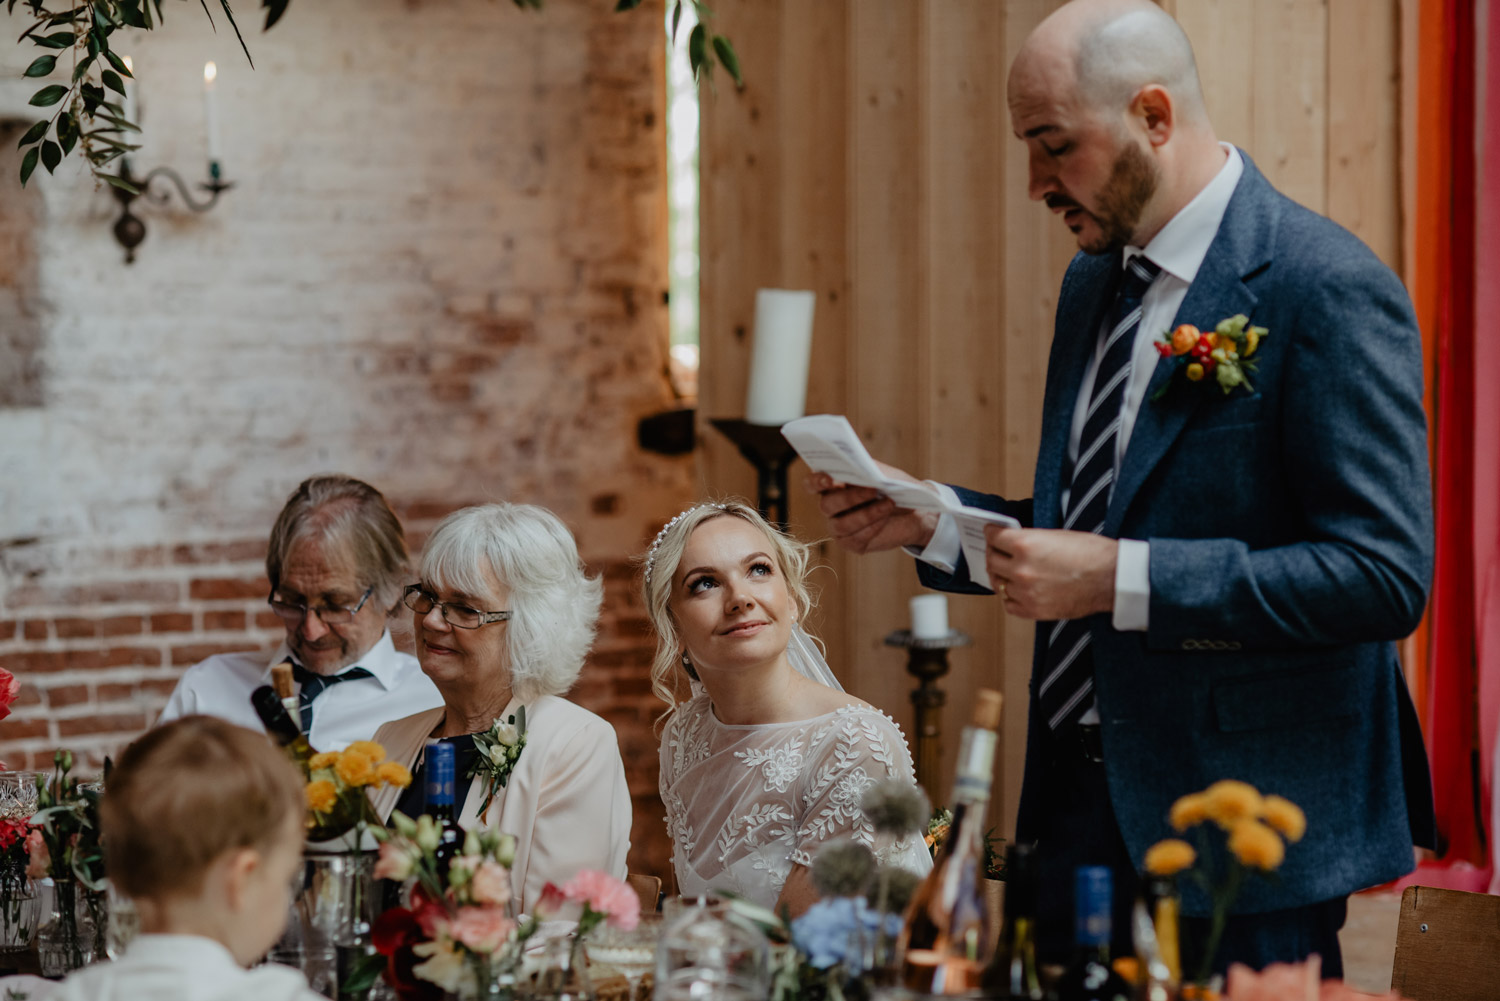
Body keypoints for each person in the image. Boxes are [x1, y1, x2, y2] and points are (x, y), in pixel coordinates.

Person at [811, 0, 1434, 975]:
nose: (1033, 184)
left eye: (1054, 147)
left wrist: (1117, 578)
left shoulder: (1323, 288)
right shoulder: (1093, 283)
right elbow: (1087, 531)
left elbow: (1381, 576)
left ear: (1152, 114)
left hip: (1242, 820)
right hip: (1069, 802)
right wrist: (934, 520)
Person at [643, 501, 932, 916]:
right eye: (704, 583)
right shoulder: (684, 735)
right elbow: (691, 914)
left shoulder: (854, 746)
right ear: (674, 627)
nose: (739, 598)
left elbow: (799, 946)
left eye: (758, 569)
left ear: (792, 599)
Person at [368, 503, 631, 915]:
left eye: (464, 608)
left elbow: (558, 931)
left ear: (531, 627)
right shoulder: (392, 739)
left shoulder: (575, 745)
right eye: (429, 597)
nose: (434, 620)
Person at [159, 475, 442, 750]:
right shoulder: (205, 688)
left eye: (334, 604)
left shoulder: (434, 703)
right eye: (293, 601)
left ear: (392, 587)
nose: (311, 630)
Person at [53, 716, 321, 1001]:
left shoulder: (70, 994)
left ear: (118, 872)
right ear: (241, 878)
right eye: (288, 879)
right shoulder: (281, 996)